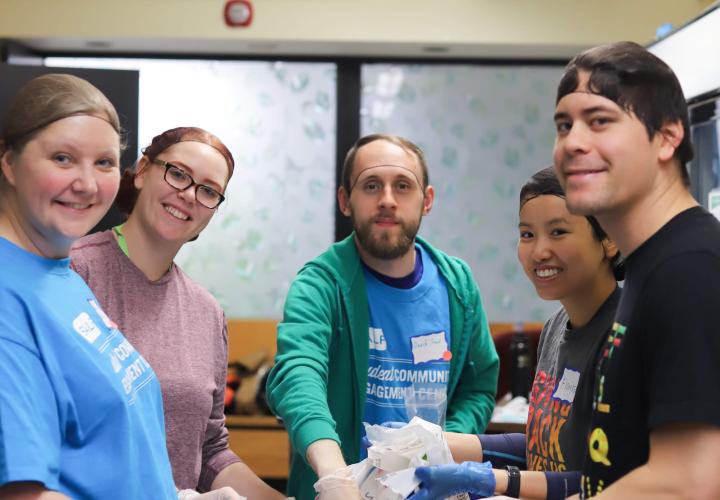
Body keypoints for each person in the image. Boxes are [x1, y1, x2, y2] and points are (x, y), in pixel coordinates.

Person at [266, 133, 500, 500]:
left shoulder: (458, 285)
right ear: (346, 200)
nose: (387, 200)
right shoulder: (321, 283)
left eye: (403, 186)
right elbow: (298, 375)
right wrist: (334, 475)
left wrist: (441, 448)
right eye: (372, 185)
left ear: (427, 201)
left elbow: (478, 386)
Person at [70, 127, 283, 498]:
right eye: (179, 174)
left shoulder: (207, 312)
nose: (188, 196)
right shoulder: (73, 275)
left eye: (208, 191)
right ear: (141, 170)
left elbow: (211, 450)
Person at [552, 41, 720, 498]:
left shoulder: (691, 267)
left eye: (599, 121)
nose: (573, 142)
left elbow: (688, 482)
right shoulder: (649, 266)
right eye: (564, 125)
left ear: (667, 137)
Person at [0, 74, 179, 499]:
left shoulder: (58, 273)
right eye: (62, 158)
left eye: (104, 163)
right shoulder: (8, 297)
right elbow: (23, 493)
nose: (86, 184)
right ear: (8, 161)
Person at [411, 166, 623, 499]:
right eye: (527, 234)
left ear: (609, 238)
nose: (539, 251)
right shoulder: (555, 328)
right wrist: (433, 443)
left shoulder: (625, 336)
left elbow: (612, 482)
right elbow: (546, 448)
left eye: (558, 232)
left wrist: (496, 480)